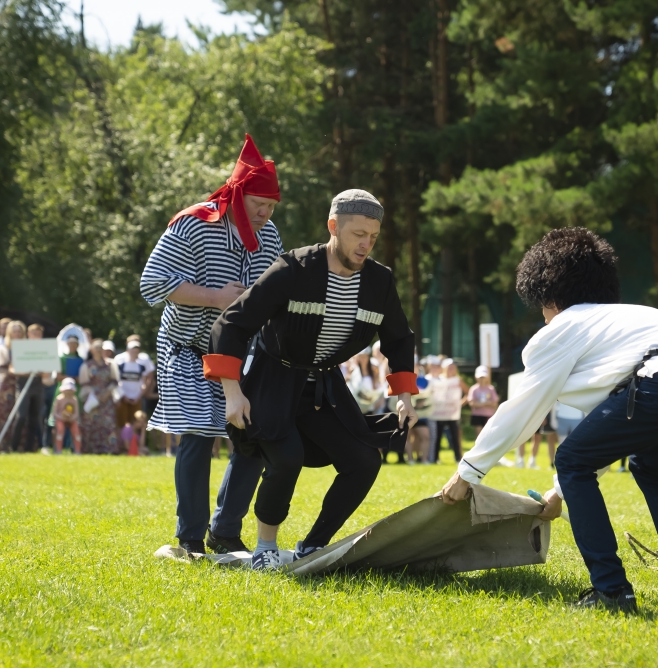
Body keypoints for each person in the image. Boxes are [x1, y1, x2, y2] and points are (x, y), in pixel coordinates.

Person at [440, 228, 658, 613]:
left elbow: (522, 409)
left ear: (548, 295)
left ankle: (611, 591)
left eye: (542, 307)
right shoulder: (625, 319)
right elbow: (600, 430)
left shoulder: (565, 326)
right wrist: (558, 493)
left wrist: (467, 473)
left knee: (570, 459)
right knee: (649, 466)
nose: (543, 317)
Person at [207, 189, 418, 570]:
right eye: (358, 234)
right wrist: (233, 392)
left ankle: (313, 547)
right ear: (333, 226)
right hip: (273, 378)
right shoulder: (293, 268)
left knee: (364, 461)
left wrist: (405, 396)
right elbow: (232, 323)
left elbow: (399, 339)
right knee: (287, 459)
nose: (366, 244)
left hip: (325, 386)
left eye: (373, 236)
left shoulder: (380, 281)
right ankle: (265, 549)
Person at [140, 133, 284, 556]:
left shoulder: (270, 237)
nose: (265, 213)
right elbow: (152, 283)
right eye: (259, 203)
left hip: (240, 354)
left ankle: (224, 533)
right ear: (237, 194)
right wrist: (215, 297)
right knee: (200, 433)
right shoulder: (193, 224)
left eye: (272, 205)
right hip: (186, 347)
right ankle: (189, 539)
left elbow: (277, 296)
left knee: (252, 435)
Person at [9, 324, 51, 453]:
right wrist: (26, 372)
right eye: (34, 334)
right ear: (28, 334)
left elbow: (47, 372)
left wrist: (42, 372)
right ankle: (13, 447)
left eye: (39, 334)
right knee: (21, 416)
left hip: (38, 386)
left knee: (35, 417)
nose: (36, 336)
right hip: (23, 384)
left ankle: (29, 448)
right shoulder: (22, 348)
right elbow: (12, 368)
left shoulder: (45, 350)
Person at [0, 320, 26, 451]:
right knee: (4, 414)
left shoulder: (27, 349)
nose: (17, 334)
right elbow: (2, 368)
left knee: (22, 414)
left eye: (19, 331)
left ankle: (19, 446)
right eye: (14, 331)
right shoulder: (4, 349)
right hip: (8, 386)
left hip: (24, 383)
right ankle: (1, 445)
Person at [79, 339, 119, 455]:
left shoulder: (110, 365)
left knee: (108, 423)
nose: (98, 350)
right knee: (91, 423)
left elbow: (114, 381)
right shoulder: (86, 365)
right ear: (91, 350)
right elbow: (84, 383)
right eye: (96, 348)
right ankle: (91, 449)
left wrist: (107, 393)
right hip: (92, 399)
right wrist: (95, 395)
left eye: (100, 348)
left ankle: (109, 449)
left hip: (107, 398)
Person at [114, 337, 155, 448]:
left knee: (136, 424)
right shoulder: (120, 362)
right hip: (123, 398)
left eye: (137, 350)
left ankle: (134, 447)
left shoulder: (141, 365)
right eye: (132, 350)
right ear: (128, 350)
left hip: (136, 398)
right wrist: (123, 396)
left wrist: (139, 395)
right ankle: (120, 447)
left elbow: (145, 381)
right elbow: (116, 380)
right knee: (121, 423)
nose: (135, 352)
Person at [429, 358, 466, 463]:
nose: (451, 370)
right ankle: (435, 458)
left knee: (455, 435)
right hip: (439, 413)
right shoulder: (437, 380)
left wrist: (460, 404)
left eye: (453, 368)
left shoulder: (458, 380)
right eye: (449, 368)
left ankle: (458, 458)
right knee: (437, 436)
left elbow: (468, 392)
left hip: (452, 413)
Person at [52, 378, 82, 454]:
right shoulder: (59, 399)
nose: (68, 392)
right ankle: (58, 450)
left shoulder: (74, 400)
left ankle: (77, 451)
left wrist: (72, 418)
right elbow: (55, 412)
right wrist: (62, 417)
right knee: (60, 430)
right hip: (60, 419)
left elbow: (76, 413)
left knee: (76, 431)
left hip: (71, 419)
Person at [468, 366, 499, 438]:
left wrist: (479, 404)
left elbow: (494, 403)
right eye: (480, 377)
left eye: (483, 377)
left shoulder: (491, 389)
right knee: (479, 436)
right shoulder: (473, 389)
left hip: (489, 415)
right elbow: (472, 403)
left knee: (488, 435)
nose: (482, 379)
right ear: (476, 377)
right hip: (477, 415)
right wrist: (487, 403)